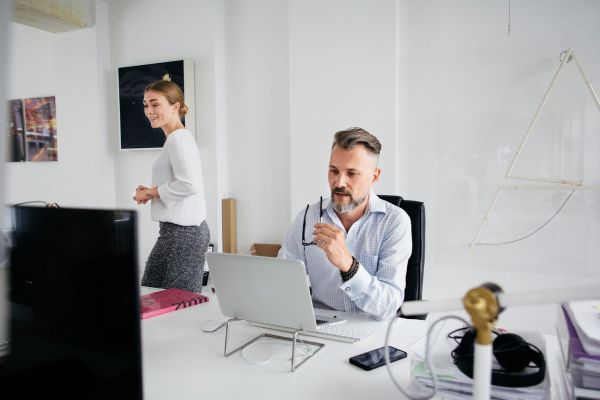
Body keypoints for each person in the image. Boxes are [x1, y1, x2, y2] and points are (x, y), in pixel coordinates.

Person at [280, 127, 412, 320]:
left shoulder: (394, 222)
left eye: (351, 173)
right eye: (334, 171)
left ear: (374, 176)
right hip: (320, 328)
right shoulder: (307, 217)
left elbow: (389, 305)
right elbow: (282, 282)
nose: (339, 182)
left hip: (373, 331)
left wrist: (349, 267)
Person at [133, 78, 210, 293]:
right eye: (146, 105)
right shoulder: (176, 139)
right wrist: (151, 192)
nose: (149, 110)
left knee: (177, 304)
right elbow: (182, 182)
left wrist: (151, 191)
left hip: (184, 235)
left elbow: (189, 184)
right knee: (152, 294)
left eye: (155, 104)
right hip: (173, 233)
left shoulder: (178, 139)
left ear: (175, 106)